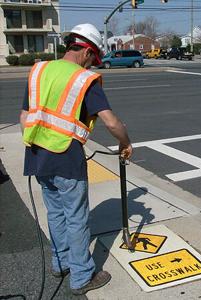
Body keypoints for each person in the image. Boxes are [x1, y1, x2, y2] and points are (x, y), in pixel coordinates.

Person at [19, 23, 133, 295]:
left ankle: (61, 262)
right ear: (87, 51)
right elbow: (110, 121)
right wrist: (125, 142)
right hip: (66, 158)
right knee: (76, 218)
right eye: (94, 58)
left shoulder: (39, 70)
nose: (93, 64)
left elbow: (24, 117)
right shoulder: (84, 79)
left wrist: (41, 142)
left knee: (55, 213)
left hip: (37, 156)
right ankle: (82, 276)